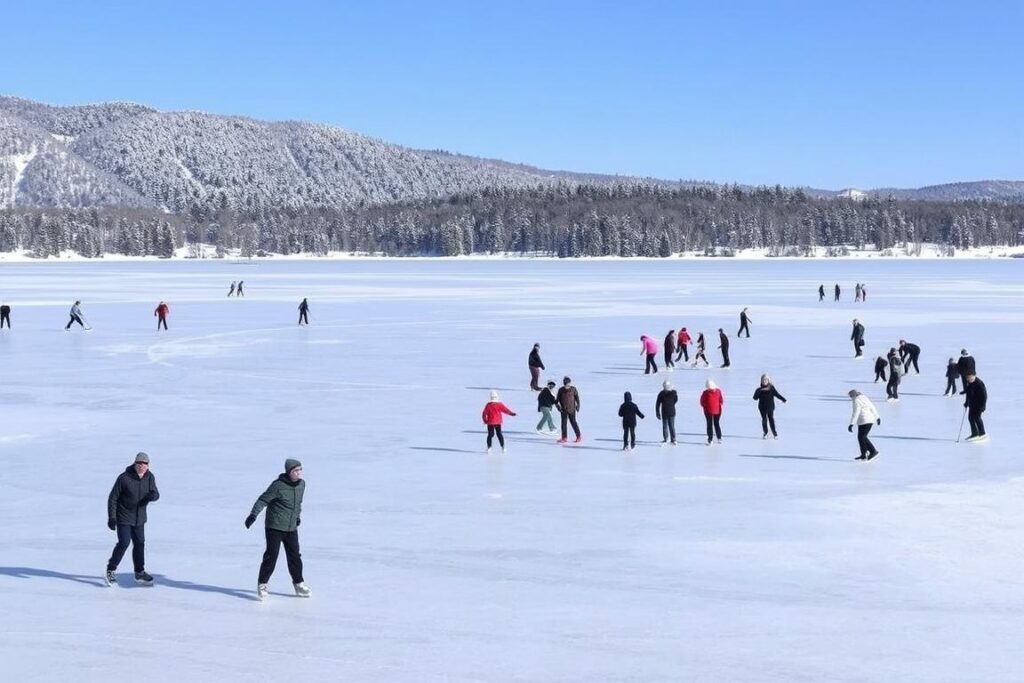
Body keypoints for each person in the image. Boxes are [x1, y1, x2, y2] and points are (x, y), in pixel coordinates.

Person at [245, 459, 311, 600]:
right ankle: (262, 584)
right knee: (271, 556)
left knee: (295, 557)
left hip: (291, 527)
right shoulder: (278, 486)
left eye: (300, 469)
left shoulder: (302, 485)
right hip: (274, 526)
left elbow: (298, 503)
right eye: (296, 470)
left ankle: (298, 583)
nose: (299, 472)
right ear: (289, 472)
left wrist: (297, 517)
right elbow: (263, 500)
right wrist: (253, 515)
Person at [105, 452, 159, 586]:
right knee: (124, 543)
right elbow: (113, 498)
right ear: (135, 463)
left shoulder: (149, 477)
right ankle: (111, 569)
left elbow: (156, 494)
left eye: (144, 463)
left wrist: (151, 496)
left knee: (140, 543)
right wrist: (112, 517)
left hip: (140, 519)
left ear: (148, 465)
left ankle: (139, 572)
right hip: (123, 516)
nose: (142, 466)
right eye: (139, 463)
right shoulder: (124, 478)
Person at [847, 390, 881, 460]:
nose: (850, 398)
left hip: (864, 420)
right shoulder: (864, 398)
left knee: (862, 437)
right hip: (869, 420)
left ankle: (873, 451)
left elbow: (856, 412)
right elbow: (872, 407)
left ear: (853, 395)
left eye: (850, 396)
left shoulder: (856, 400)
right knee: (861, 437)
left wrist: (852, 423)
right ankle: (863, 454)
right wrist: (877, 417)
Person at [752, 374, 787, 439]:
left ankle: (775, 434)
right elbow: (755, 398)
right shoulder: (759, 389)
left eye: (766, 379)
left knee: (771, 419)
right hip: (762, 407)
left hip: (770, 407)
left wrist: (783, 399)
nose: (764, 381)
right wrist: (758, 392)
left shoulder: (771, 388)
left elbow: (777, 394)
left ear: (768, 380)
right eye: (763, 380)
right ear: (761, 381)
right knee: (764, 420)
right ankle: (765, 433)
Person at [556, 376, 582, 443]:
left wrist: (578, 405)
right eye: (565, 385)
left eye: (568, 385)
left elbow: (577, 398)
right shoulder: (561, 390)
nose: (566, 387)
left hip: (572, 409)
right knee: (563, 424)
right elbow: (557, 400)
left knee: (573, 423)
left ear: (570, 383)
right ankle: (564, 437)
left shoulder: (573, 389)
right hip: (563, 410)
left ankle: (578, 436)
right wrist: (558, 406)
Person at [963, 374, 988, 441]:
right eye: (968, 379)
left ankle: (982, 433)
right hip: (972, 404)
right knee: (970, 418)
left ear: (974, 377)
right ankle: (974, 433)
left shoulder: (979, 384)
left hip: (979, 404)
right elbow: (968, 394)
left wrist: (983, 406)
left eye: (970, 379)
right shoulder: (969, 383)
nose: (969, 380)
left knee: (977, 417)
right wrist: (966, 402)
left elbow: (984, 396)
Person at [699, 378, 724, 445]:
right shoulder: (718, 391)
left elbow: (702, 401)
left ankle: (710, 439)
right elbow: (721, 400)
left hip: (708, 411)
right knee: (716, 424)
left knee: (709, 424)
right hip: (717, 411)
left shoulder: (705, 393)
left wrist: (705, 406)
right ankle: (719, 437)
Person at [655, 380, 678, 445]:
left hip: (667, 412)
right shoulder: (673, 393)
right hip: (670, 412)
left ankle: (668, 439)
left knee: (667, 426)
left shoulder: (662, 393)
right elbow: (675, 400)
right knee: (670, 426)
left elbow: (657, 404)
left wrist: (657, 413)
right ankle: (671, 439)